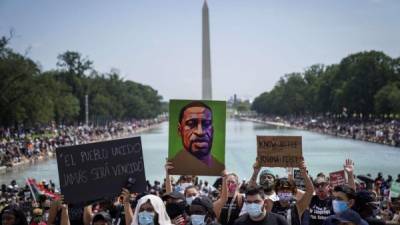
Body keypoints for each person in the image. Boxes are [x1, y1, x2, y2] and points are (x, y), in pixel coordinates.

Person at [170, 101, 224, 175]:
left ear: (212, 130)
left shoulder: (220, 169)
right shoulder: (172, 166)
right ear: (180, 130)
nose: (200, 132)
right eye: (191, 124)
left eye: (206, 124)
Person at [271, 160, 314, 225]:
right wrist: (256, 172)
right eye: (282, 189)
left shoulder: (298, 207)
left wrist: (304, 173)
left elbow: (310, 191)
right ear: (276, 191)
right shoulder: (270, 205)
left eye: (288, 189)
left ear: (293, 191)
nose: (285, 191)